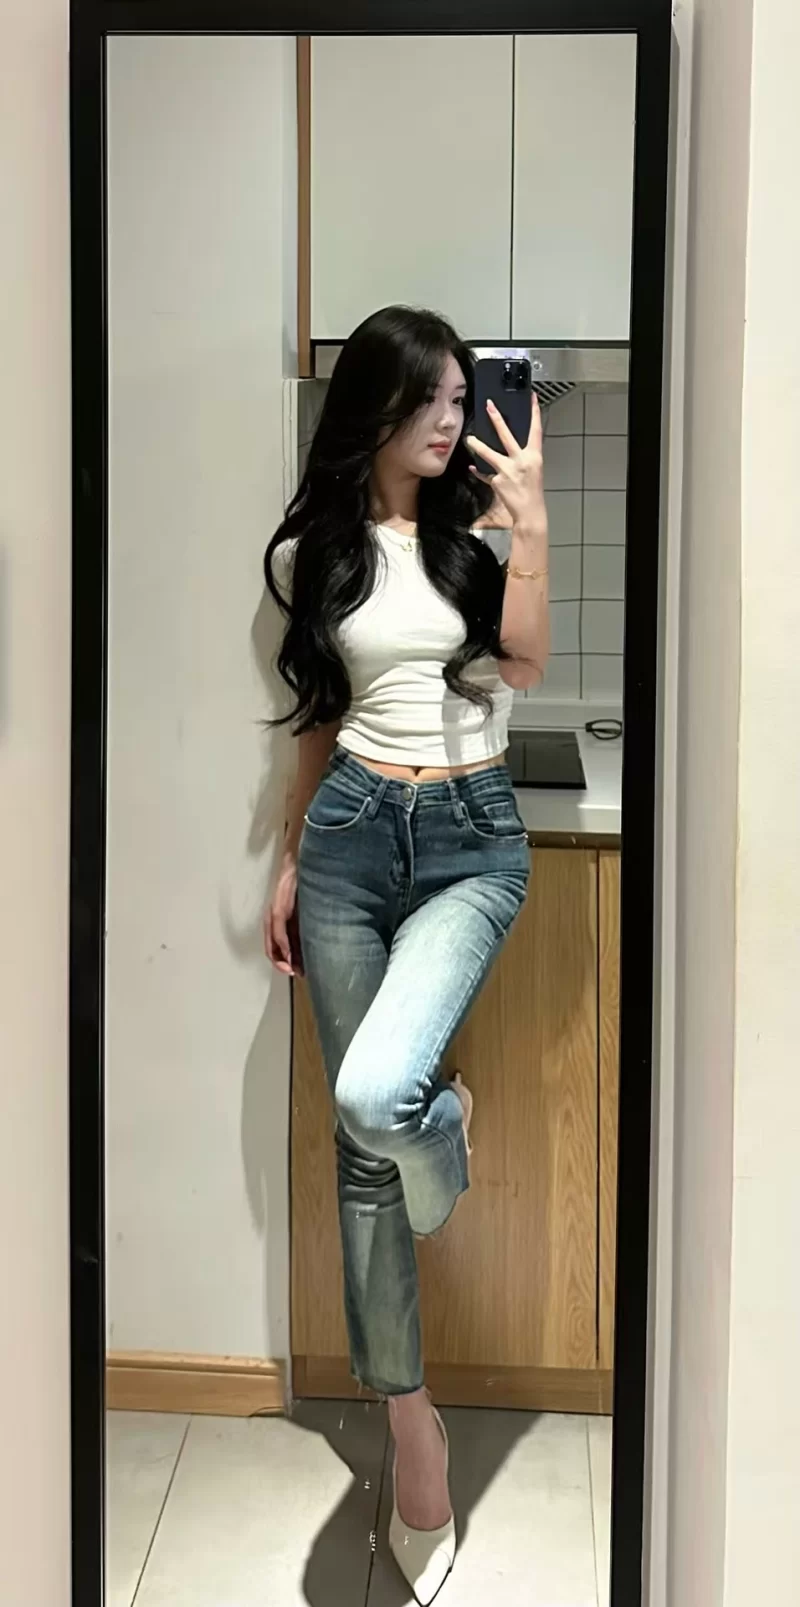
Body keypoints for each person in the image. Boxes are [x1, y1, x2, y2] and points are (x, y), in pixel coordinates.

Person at [263, 306, 549, 1604]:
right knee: (361, 1153)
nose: (451, 419)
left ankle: (447, 1119)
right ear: (374, 407)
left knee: (380, 1102)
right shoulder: (315, 553)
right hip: (347, 839)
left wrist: (529, 526)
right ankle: (411, 1418)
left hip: (470, 841)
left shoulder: (471, 540)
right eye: (430, 399)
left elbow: (524, 669)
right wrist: (288, 859)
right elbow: (317, 718)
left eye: (459, 397)